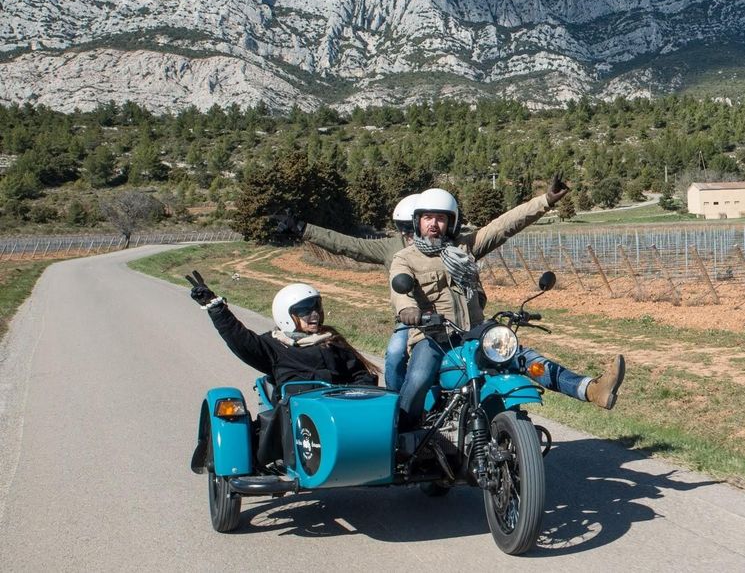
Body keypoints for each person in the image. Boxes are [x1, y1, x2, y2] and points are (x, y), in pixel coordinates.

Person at [391, 179, 626, 430]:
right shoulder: (406, 258)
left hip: (473, 332)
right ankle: (403, 437)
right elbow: (399, 289)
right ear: (418, 221)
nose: (434, 224)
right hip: (432, 337)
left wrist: (545, 201)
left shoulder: (464, 248)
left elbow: (504, 225)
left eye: (440, 218)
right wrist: (408, 310)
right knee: (418, 378)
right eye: (428, 218)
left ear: (451, 222)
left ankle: (589, 389)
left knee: (522, 357)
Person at [273, 195, 418, 392]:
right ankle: (398, 406)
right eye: (403, 228)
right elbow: (349, 245)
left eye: (412, 228)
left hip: (452, 317)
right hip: (409, 319)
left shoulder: (452, 245)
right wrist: (304, 228)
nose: (408, 234)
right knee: (395, 355)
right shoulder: (392, 247)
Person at [186, 271, 378, 391]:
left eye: (316, 308)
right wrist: (216, 307)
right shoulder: (274, 345)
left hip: (339, 409)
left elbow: (360, 374)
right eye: (304, 310)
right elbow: (240, 339)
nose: (314, 314)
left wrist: (358, 392)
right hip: (295, 420)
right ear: (286, 315)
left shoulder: (332, 340)